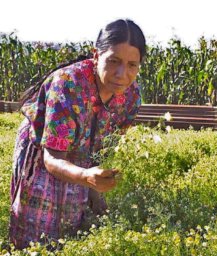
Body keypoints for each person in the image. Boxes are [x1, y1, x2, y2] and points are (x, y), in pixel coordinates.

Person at [9, 18, 146, 249]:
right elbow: (51, 159)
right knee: (36, 230)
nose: (122, 73)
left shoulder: (131, 96)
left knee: (72, 225)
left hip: (84, 157)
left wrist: (94, 189)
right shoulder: (68, 84)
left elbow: (107, 146)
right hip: (44, 150)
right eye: (114, 61)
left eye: (132, 65)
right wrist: (85, 177)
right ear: (96, 55)